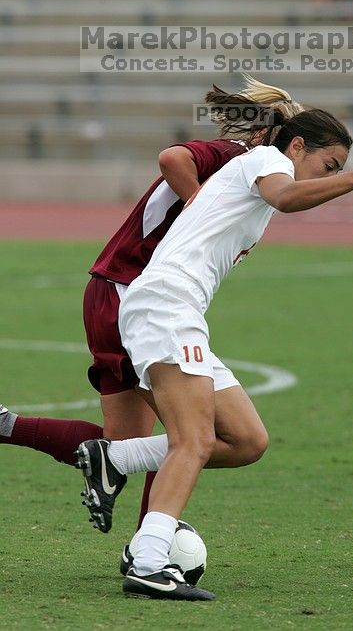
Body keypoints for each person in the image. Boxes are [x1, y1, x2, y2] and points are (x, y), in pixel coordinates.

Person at [75, 109, 353, 601]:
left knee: (247, 439)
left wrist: (343, 177)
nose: (330, 176)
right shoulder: (265, 160)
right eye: (327, 165)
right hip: (165, 306)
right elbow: (286, 197)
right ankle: (147, 562)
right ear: (295, 148)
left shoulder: (261, 169)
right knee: (195, 440)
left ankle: (115, 456)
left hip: (178, 311)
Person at [0, 76, 304, 547]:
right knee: (191, 434)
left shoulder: (245, 174)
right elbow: (172, 157)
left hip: (115, 292)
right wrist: (200, 203)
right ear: (273, 137)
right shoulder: (237, 160)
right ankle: (150, 547)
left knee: (129, 446)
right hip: (132, 291)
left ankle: (6, 426)